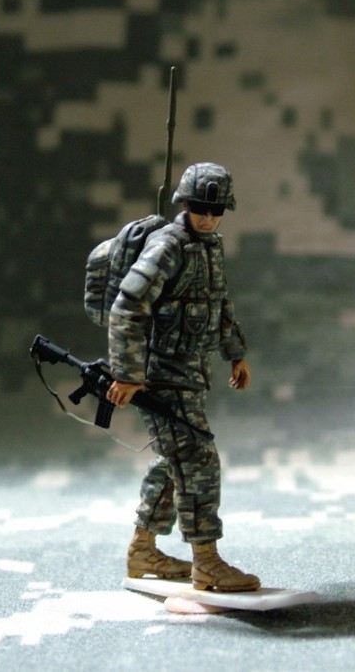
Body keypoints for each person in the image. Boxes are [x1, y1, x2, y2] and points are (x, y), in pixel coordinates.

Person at [105, 162, 260, 592]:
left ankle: (143, 549)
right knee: (197, 460)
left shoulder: (210, 246)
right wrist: (128, 373)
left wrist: (235, 353)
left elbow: (217, 301)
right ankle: (206, 562)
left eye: (216, 210)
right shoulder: (167, 246)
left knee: (172, 461)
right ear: (184, 204)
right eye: (198, 208)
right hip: (162, 375)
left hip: (192, 372)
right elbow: (128, 306)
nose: (207, 218)